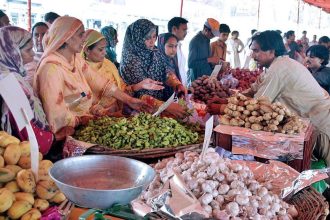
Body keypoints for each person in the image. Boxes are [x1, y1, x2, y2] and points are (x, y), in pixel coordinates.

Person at [208, 30, 330, 167]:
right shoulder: (276, 65)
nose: (252, 55)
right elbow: (253, 90)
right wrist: (227, 100)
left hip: (320, 124)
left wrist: (222, 108)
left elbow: (257, 105)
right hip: (313, 120)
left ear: (271, 51)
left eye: (256, 51)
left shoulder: (280, 68)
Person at [34, 16, 150, 136]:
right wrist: (86, 119)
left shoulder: (75, 59)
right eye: (81, 35)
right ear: (67, 38)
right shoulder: (50, 69)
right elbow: (57, 115)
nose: (84, 39)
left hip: (84, 124)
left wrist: (129, 100)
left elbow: (101, 83)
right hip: (65, 133)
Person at [82, 29, 164, 116]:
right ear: (87, 50)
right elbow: (82, 105)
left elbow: (121, 90)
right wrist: (107, 113)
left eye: (105, 48)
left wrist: (140, 85)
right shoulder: (81, 70)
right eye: (100, 49)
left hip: (120, 110)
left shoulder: (108, 64)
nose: (105, 52)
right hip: (98, 119)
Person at [0, 26, 53, 155]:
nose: (33, 53)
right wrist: (54, 138)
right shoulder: (10, 84)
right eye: (28, 49)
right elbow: (31, 135)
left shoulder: (10, 77)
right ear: (12, 52)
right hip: (20, 156)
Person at [188, 18, 221, 83]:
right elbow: (191, 64)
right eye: (212, 34)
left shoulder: (207, 40)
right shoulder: (195, 41)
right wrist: (210, 60)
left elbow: (206, 59)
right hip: (198, 80)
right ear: (206, 30)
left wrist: (213, 63)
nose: (213, 37)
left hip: (207, 77)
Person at [167, 17, 188, 86]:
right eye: (184, 30)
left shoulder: (179, 45)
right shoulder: (166, 49)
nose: (186, 33)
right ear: (174, 29)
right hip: (173, 91)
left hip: (182, 89)